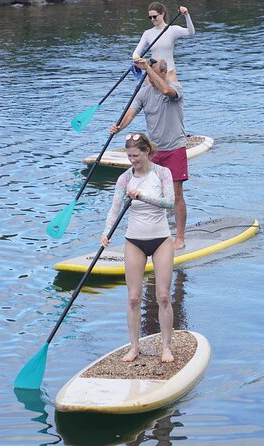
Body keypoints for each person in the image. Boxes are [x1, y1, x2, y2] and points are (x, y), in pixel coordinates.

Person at [101, 132, 176, 363]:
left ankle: (166, 347)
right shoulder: (124, 179)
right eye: (129, 156)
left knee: (162, 296)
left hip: (161, 239)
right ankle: (134, 347)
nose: (132, 160)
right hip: (134, 241)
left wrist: (142, 197)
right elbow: (115, 209)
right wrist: (106, 232)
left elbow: (170, 203)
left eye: (136, 155)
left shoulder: (162, 173)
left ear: (146, 152)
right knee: (133, 298)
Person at [109, 57, 188, 250]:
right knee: (152, 193)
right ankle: (155, 233)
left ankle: (179, 237)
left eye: (152, 73)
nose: (148, 78)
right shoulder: (144, 93)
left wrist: (148, 69)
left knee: (176, 195)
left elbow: (166, 90)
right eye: (147, 74)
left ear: (163, 72)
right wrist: (119, 127)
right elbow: (131, 113)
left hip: (175, 148)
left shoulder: (175, 87)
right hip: (154, 151)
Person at [133, 3, 195, 81]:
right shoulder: (147, 34)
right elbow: (136, 53)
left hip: (169, 72)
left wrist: (186, 15)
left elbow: (191, 33)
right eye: (150, 17)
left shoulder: (172, 30)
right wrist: (139, 60)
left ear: (162, 14)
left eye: (154, 16)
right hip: (153, 74)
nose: (152, 19)